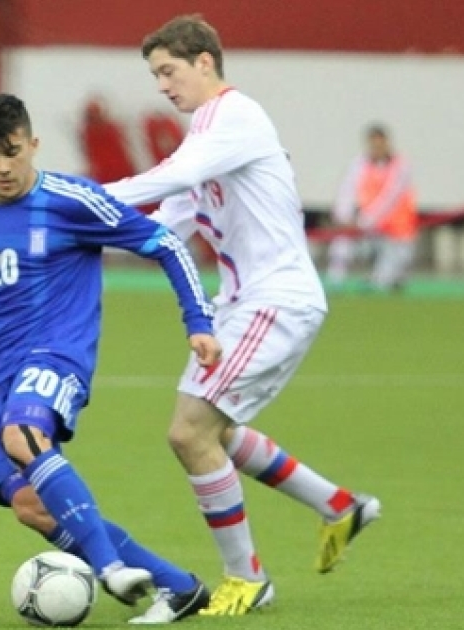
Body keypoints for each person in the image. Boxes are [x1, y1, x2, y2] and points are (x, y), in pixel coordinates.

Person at [103, 15, 382, 618]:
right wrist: (67, 235)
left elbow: (175, 177)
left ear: (204, 62)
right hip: (246, 305)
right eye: (156, 76)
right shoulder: (206, 143)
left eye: (168, 71)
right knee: (218, 432)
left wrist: (79, 198)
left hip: (273, 301)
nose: (162, 86)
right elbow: (161, 229)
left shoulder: (232, 117)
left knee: (190, 433)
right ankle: (340, 506)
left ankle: (246, 578)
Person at [0, 93, 221, 624]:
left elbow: (165, 243)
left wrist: (198, 321)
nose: (3, 167)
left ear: (33, 144)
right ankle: (179, 587)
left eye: (12, 152)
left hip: (57, 353)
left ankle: (109, 567)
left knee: (22, 434)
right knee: (31, 506)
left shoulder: (72, 200)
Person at [328, 124, 419, 292]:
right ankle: (336, 280)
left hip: (395, 232)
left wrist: (365, 221)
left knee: (386, 281)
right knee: (342, 242)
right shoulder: (360, 163)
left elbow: (390, 197)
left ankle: (386, 278)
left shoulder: (401, 166)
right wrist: (344, 217)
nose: (377, 149)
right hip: (367, 227)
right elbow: (347, 190)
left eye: (380, 144)